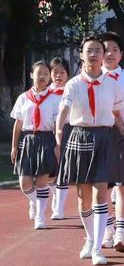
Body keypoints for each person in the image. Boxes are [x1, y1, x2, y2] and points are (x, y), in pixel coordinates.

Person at [56, 36, 124, 265]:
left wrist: (122, 128)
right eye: (89, 50)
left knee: (102, 191)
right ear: (82, 55)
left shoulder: (112, 83)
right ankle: (90, 239)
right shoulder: (74, 84)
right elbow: (64, 110)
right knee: (83, 196)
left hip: (105, 137)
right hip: (80, 135)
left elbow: (117, 113)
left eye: (98, 50)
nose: (95, 54)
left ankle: (98, 248)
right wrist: (59, 133)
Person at [101, 32, 124, 253]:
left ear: (121, 54)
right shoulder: (94, 78)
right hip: (101, 130)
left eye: (115, 50)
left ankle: (121, 233)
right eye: (105, 49)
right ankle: (107, 228)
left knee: (122, 183)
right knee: (103, 184)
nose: (109, 54)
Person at [11, 61, 60, 229]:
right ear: (31, 75)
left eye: (46, 74)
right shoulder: (23, 98)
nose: (42, 77)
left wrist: (58, 146)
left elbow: (57, 125)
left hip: (46, 139)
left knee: (41, 182)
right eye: (39, 73)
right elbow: (18, 124)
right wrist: (14, 146)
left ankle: (40, 216)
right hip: (27, 140)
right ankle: (35, 202)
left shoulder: (54, 99)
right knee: (25, 183)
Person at [49, 57, 71, 220]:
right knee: (48, 171)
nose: (58, 75)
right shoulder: (44, 93)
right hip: (47, 133)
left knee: (63, 169)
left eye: (62, 72)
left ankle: (59, 207)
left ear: (67, 75)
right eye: (55, 72)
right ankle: (54, 194)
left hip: (67, 131)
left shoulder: (71, 90)